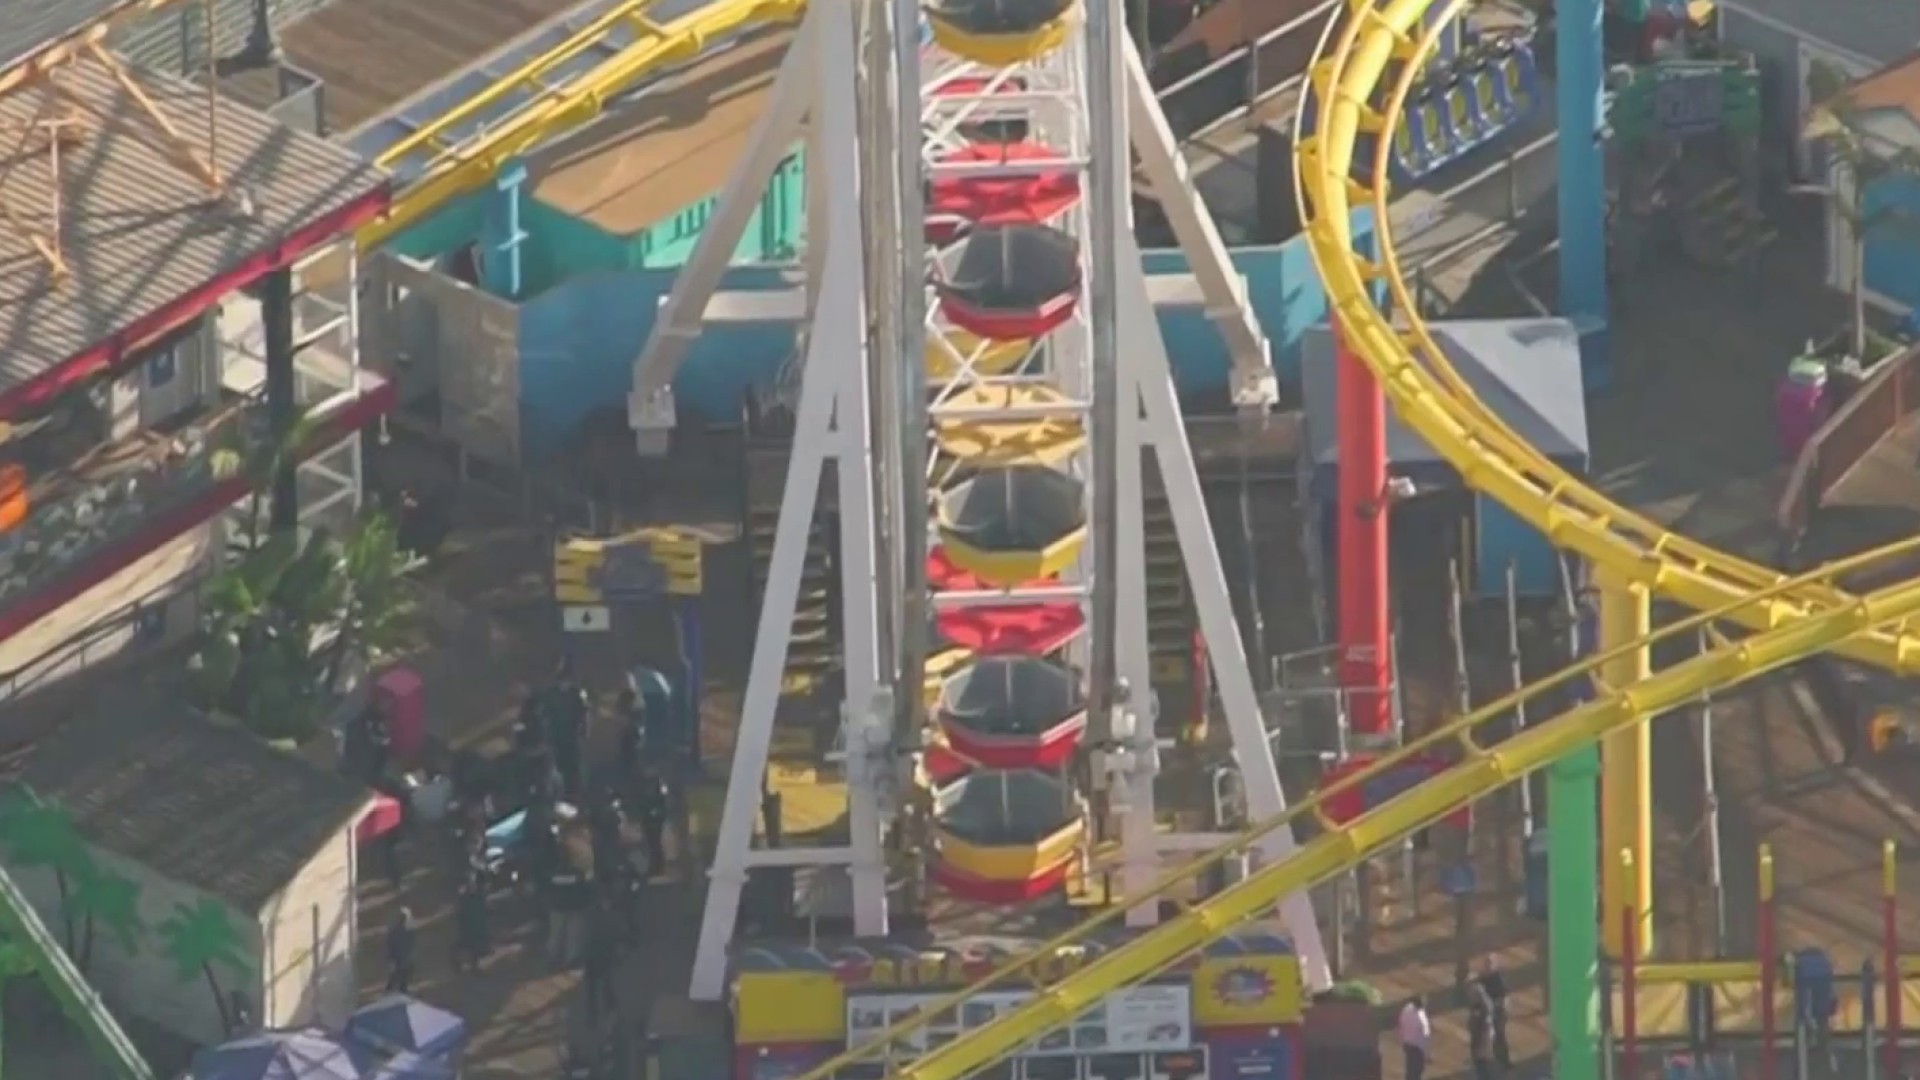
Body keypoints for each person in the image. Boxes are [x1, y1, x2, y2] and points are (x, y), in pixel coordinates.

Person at [631, 767, 670, 876]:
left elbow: (662, 799)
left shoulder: (657, 783)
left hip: (655, 816)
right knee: (651, 842)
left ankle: (658, 866)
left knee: (654, 842)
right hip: (649, 816)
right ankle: (656, 866)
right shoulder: (644, 784)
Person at [1478, 956, 1511, 1071]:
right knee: (1493, 1038)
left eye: (1489, 964)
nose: (1487, 967)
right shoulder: (1485, 978)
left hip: (1498, 1013)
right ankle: (1498, 1061)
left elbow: (1504, 997)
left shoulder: (1498, 979)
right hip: (1490, 1012)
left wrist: (1498, 1009)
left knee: (1499, 1037)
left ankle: (1504, 1062)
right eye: (1486, 964)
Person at [453, 882, 491, 972]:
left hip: (475, 926)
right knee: (470, 945)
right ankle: (470, 963)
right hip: (471, 926)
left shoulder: (476, 898)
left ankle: (475, 962)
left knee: (474, 945)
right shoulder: (467, 899)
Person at [1466, 982, 1496, 1080]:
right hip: (1480, 1037)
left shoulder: (1483, 1006)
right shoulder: (1479, 1005)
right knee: (1480, 1063)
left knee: (1482, 1063)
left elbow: (1485, 1024)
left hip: (1483, 1038)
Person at [1398, 995, 1430, 1080]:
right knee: (1417, 1070)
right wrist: (1426, 1052)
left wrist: (1402, 1039)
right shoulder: (1422, 1017)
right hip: (1417, 1047)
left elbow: (1401, 1025)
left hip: (1407, 1044)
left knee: (1409, 1068)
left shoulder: (1406, 1009)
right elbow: (1425, 1035)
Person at [385, 909, 416, 993]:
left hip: (403, 960)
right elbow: (390, 945)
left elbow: (411, 945)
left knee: (401, 979)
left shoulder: (408, 931)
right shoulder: (399, 931)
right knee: (396, 978)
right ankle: (392, 991)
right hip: (399, 959)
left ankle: (398, 990)